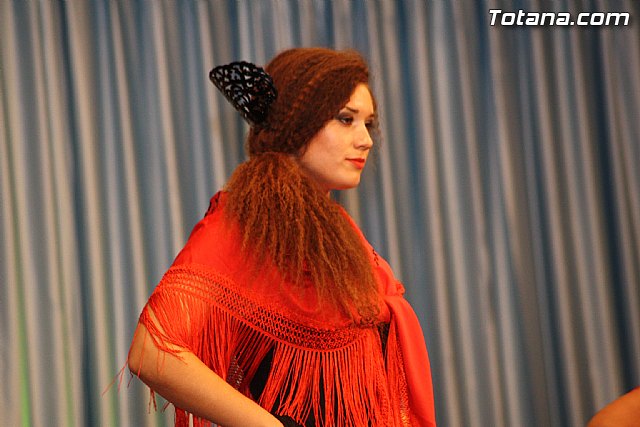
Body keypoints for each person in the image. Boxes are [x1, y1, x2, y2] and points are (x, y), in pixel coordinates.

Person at [127, 47, 436, 427]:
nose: (366, 140)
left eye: (367, 124)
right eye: (346, 119)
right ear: (297, 123)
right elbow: (151, 352)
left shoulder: (335, 231)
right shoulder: (247, 221)